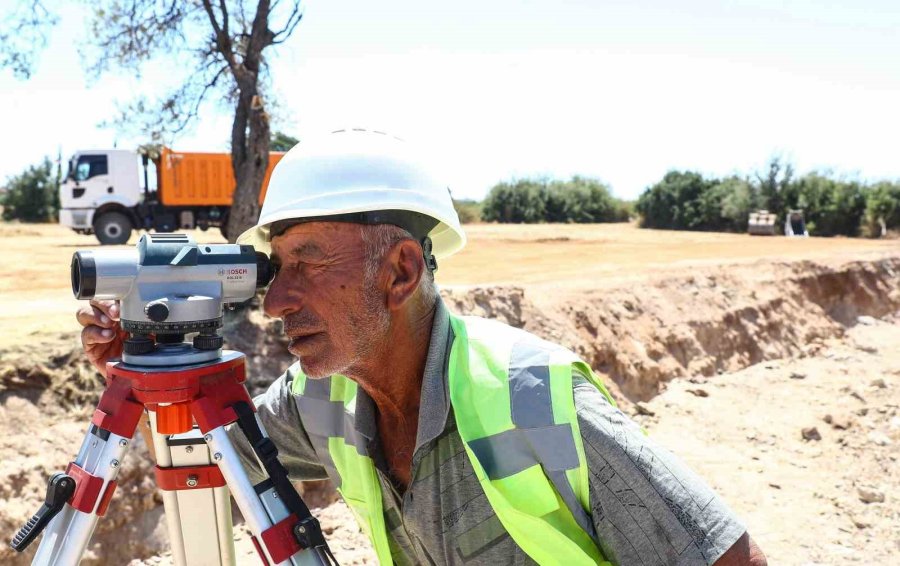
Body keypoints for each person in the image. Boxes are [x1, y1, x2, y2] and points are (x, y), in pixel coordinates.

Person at [77, 130, 767, 565]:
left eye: (308, 264)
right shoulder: (323, 398)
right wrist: (152, 362)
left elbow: (729, 559)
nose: (278, 300)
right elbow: (212, 468)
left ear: (401, 270)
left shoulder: (535, 404)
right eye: (276, 267)